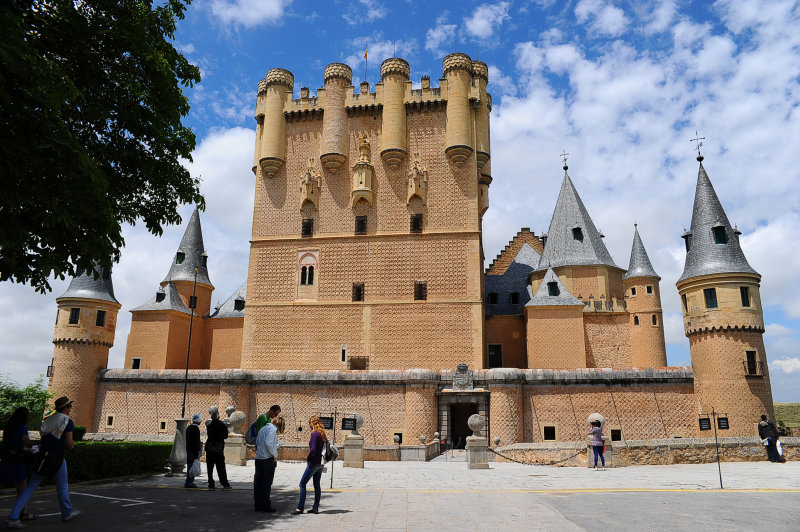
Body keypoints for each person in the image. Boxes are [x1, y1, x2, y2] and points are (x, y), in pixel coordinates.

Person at [7, 397, 80, 529]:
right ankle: (67, 512)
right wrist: (74, 447)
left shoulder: (48, 419)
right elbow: (69, 444)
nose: (70, 409)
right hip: (56, 458)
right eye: (70, 407)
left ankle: (13, 516)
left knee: (30, 487)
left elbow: (43, 435)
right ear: (65, 408)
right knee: (62, 486)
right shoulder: (67, 421)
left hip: (43, 457)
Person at [0, 407, 36, 523]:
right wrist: (41, 441)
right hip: (17, 462)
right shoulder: (22, 428)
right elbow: (27, 442)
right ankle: (23, 513)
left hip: (6, 459)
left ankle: (23, 512)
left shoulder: (9, 427)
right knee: (22, 489)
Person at [292, 416, 327, 515]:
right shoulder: (322, 434)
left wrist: (308, 458)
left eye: (309, 423)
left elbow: (313, 449)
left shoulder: (314, 434)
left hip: (313, 463)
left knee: (302, 484)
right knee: (317, 485)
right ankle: (315, 508)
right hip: (320, 463)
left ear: (312, 423)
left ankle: (300, 508)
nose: (309, 425)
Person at [254, 417, 285, 512]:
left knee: (258, 483)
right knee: (267, 483)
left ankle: (258, 504)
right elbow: (268, 443)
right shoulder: (273, 429)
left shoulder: (263, 428)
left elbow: (258, 442)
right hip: (267, 459)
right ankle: (266, 505)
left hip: (259, 458)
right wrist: (275, 454)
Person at [205, 408, 231, 490]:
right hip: (219, 449)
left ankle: (211, 485)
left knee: (210, 469)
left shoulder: (209, 426)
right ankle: (225, 484)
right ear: (218, 417)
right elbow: (226, 436)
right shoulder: (222, 425)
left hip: (210, 448)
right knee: (221, 468)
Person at [184, 414, 202, 488]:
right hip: (193, 450)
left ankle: (189, 482)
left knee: (190, 466)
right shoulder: (196, 429)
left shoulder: (188, 428)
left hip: (188, 449)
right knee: (192, 466)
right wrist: (196, 453)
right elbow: (196, 442)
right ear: (199, 421)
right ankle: (189, 482)